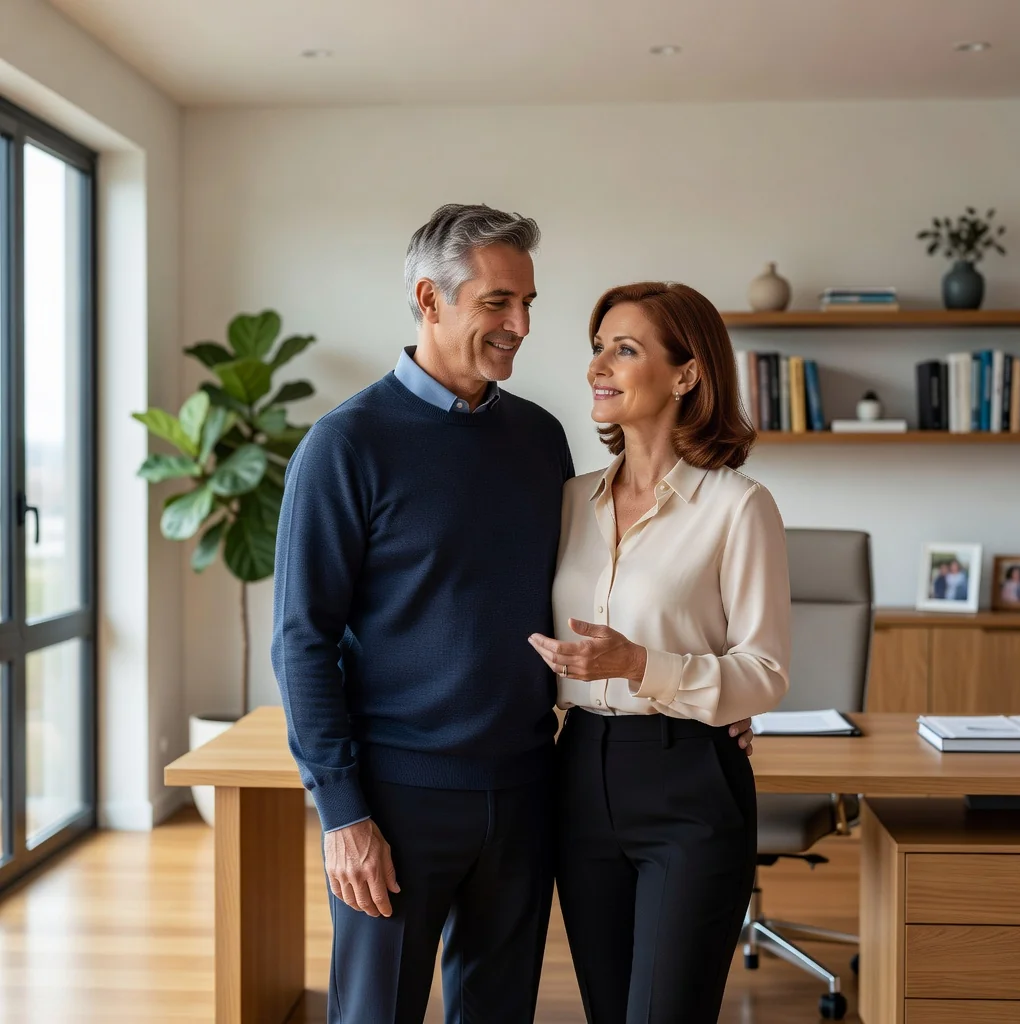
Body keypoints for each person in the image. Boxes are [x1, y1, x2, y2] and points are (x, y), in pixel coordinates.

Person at [271, 206, 754, 1024]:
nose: (522, 325)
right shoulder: (345, 445)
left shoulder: (540, 439)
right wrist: (344, 811)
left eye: (529, 303)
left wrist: (712, 696)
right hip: (398, 798)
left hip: (529, 788)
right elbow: (301, 640)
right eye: (498, 302)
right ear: (430, 298)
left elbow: (601, 592)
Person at [529, 282, 791, 1024]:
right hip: (577, 774)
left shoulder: (738, 506)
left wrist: (642, 666)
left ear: (687, 373)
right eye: (597, 347)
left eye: (625, 348)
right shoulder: (565, 501)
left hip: (689, 787)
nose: (597, 366)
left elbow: (764, 671)